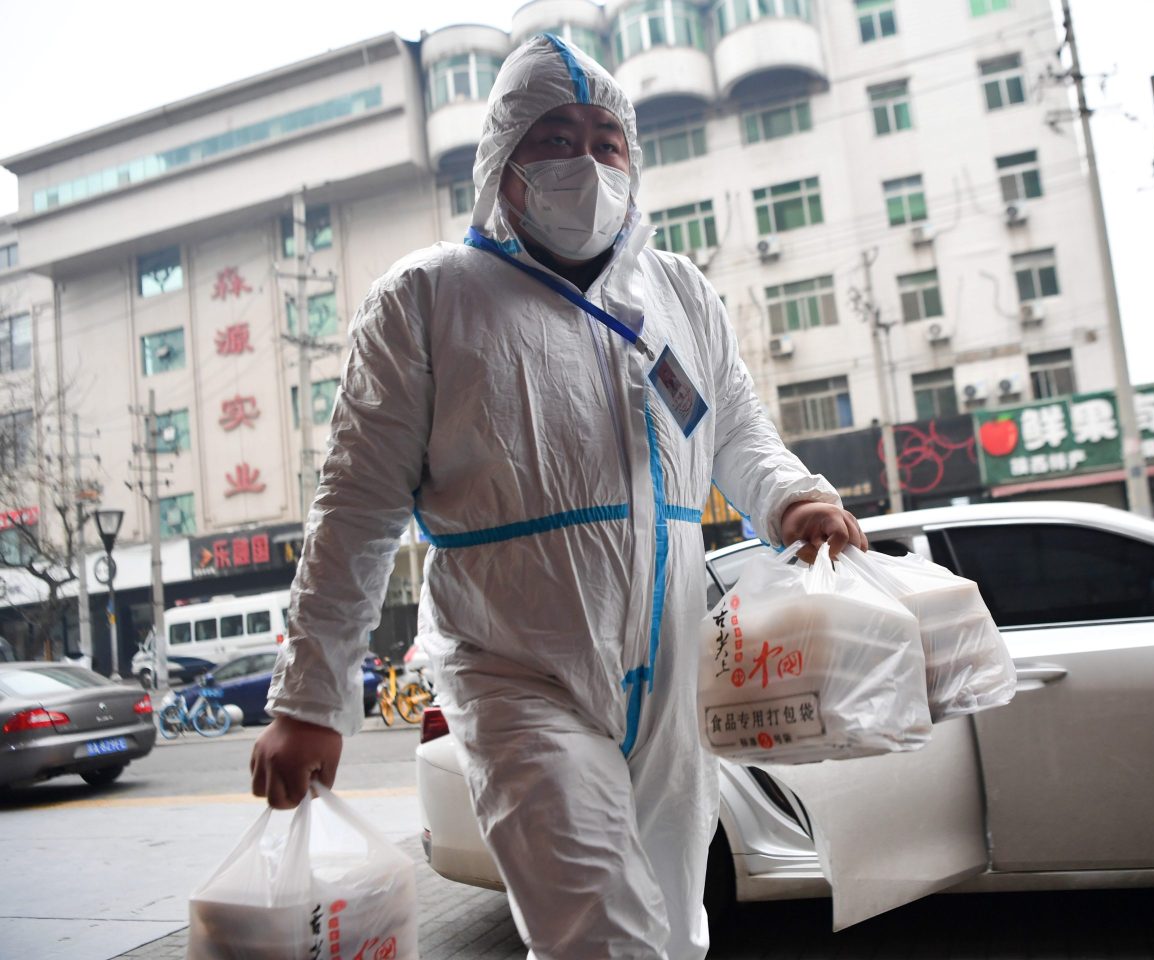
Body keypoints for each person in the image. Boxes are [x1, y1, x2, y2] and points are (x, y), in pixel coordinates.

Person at [249, 35, 865, 960]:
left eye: (605, 140)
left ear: (632, 161)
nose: (586, 160)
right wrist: (310, 698)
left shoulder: (679, 295)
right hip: (512, 670)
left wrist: (793, 499)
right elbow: (357, 506)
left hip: (670, 669)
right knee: (599, 935)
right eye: (553, 137)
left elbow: (735, 427)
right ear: (502, 164)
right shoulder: (425, 299)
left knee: (671, 925)